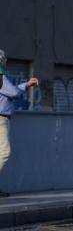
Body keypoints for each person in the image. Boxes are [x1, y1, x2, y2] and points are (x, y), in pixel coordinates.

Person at [0, 50, 39, 197]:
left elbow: (10, 91)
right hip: (1, 119)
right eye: (4, 60)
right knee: (4, 152)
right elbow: (14, 93)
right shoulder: (1, 77)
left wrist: (26, 84)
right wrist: (26, 86)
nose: (6, 62)